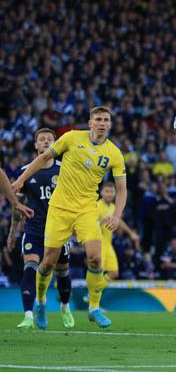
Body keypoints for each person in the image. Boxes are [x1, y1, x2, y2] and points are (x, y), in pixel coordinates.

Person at [12, 106, 127, 329]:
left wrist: (117, 215)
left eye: (106, 120)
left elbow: (122, 189)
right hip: (60, 209)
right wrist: (20, 180)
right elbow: (44, 157)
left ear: (110, 124)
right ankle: (42, 301)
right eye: (98, 119)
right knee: (47, 264)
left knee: (95, 258)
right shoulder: (72, 138)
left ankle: (94, 308)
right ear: (90, 122)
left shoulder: (114, 153)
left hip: (86, 209)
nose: (102, 123)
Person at [7, 128, 74, 329]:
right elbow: (17, 205)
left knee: (62, 271)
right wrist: (13, 232)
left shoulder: (65, 168)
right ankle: (29, 313)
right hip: (35, 229)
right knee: (30, 267)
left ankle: (64, 306)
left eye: (49, 139)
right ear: (36, 145)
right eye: (41, 139)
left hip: (59, 229)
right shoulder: (26, 172)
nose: (46, 141)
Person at [96, 181, 140, 281]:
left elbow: (119, 221)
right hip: (98, 243)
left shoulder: (113, 207)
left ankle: (98, 289)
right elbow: (89, 226)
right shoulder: (97, 206)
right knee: (97, 272)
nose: (109, 194)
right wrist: (101, 222)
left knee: (114, 273)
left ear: (115, 193)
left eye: (112, 191)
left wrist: (130, 233)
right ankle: (92, 294)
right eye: (107, 191)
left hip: (108, 244)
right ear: (101, 192)